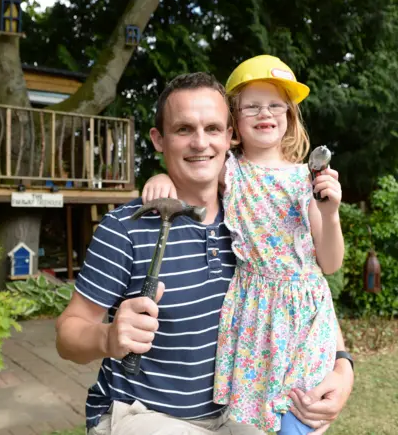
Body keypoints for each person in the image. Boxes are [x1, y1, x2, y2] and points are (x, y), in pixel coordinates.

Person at [56, 71, 354, 435]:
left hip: (235, 411)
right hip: (143, 415)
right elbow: (67, 335)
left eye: (212, 128)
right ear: (159, 140)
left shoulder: (252, 217)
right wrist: (107, 337)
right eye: (183, 129)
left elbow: (304, 287)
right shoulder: (126, 228)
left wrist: (342, 366)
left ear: (230, 136)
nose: (200, 142)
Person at [141, 55, 347, 434]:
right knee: (249, 421)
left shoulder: (307, 179)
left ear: (289, 115)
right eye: (252, 105)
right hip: (252, 310)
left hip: (303, 311)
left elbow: (330, 263)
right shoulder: (229, 170)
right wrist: (161, 178)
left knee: (300, 416)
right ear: (234, 121)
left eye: (275, 104)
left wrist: (330, 213)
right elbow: (192, 165)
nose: (264, 112)